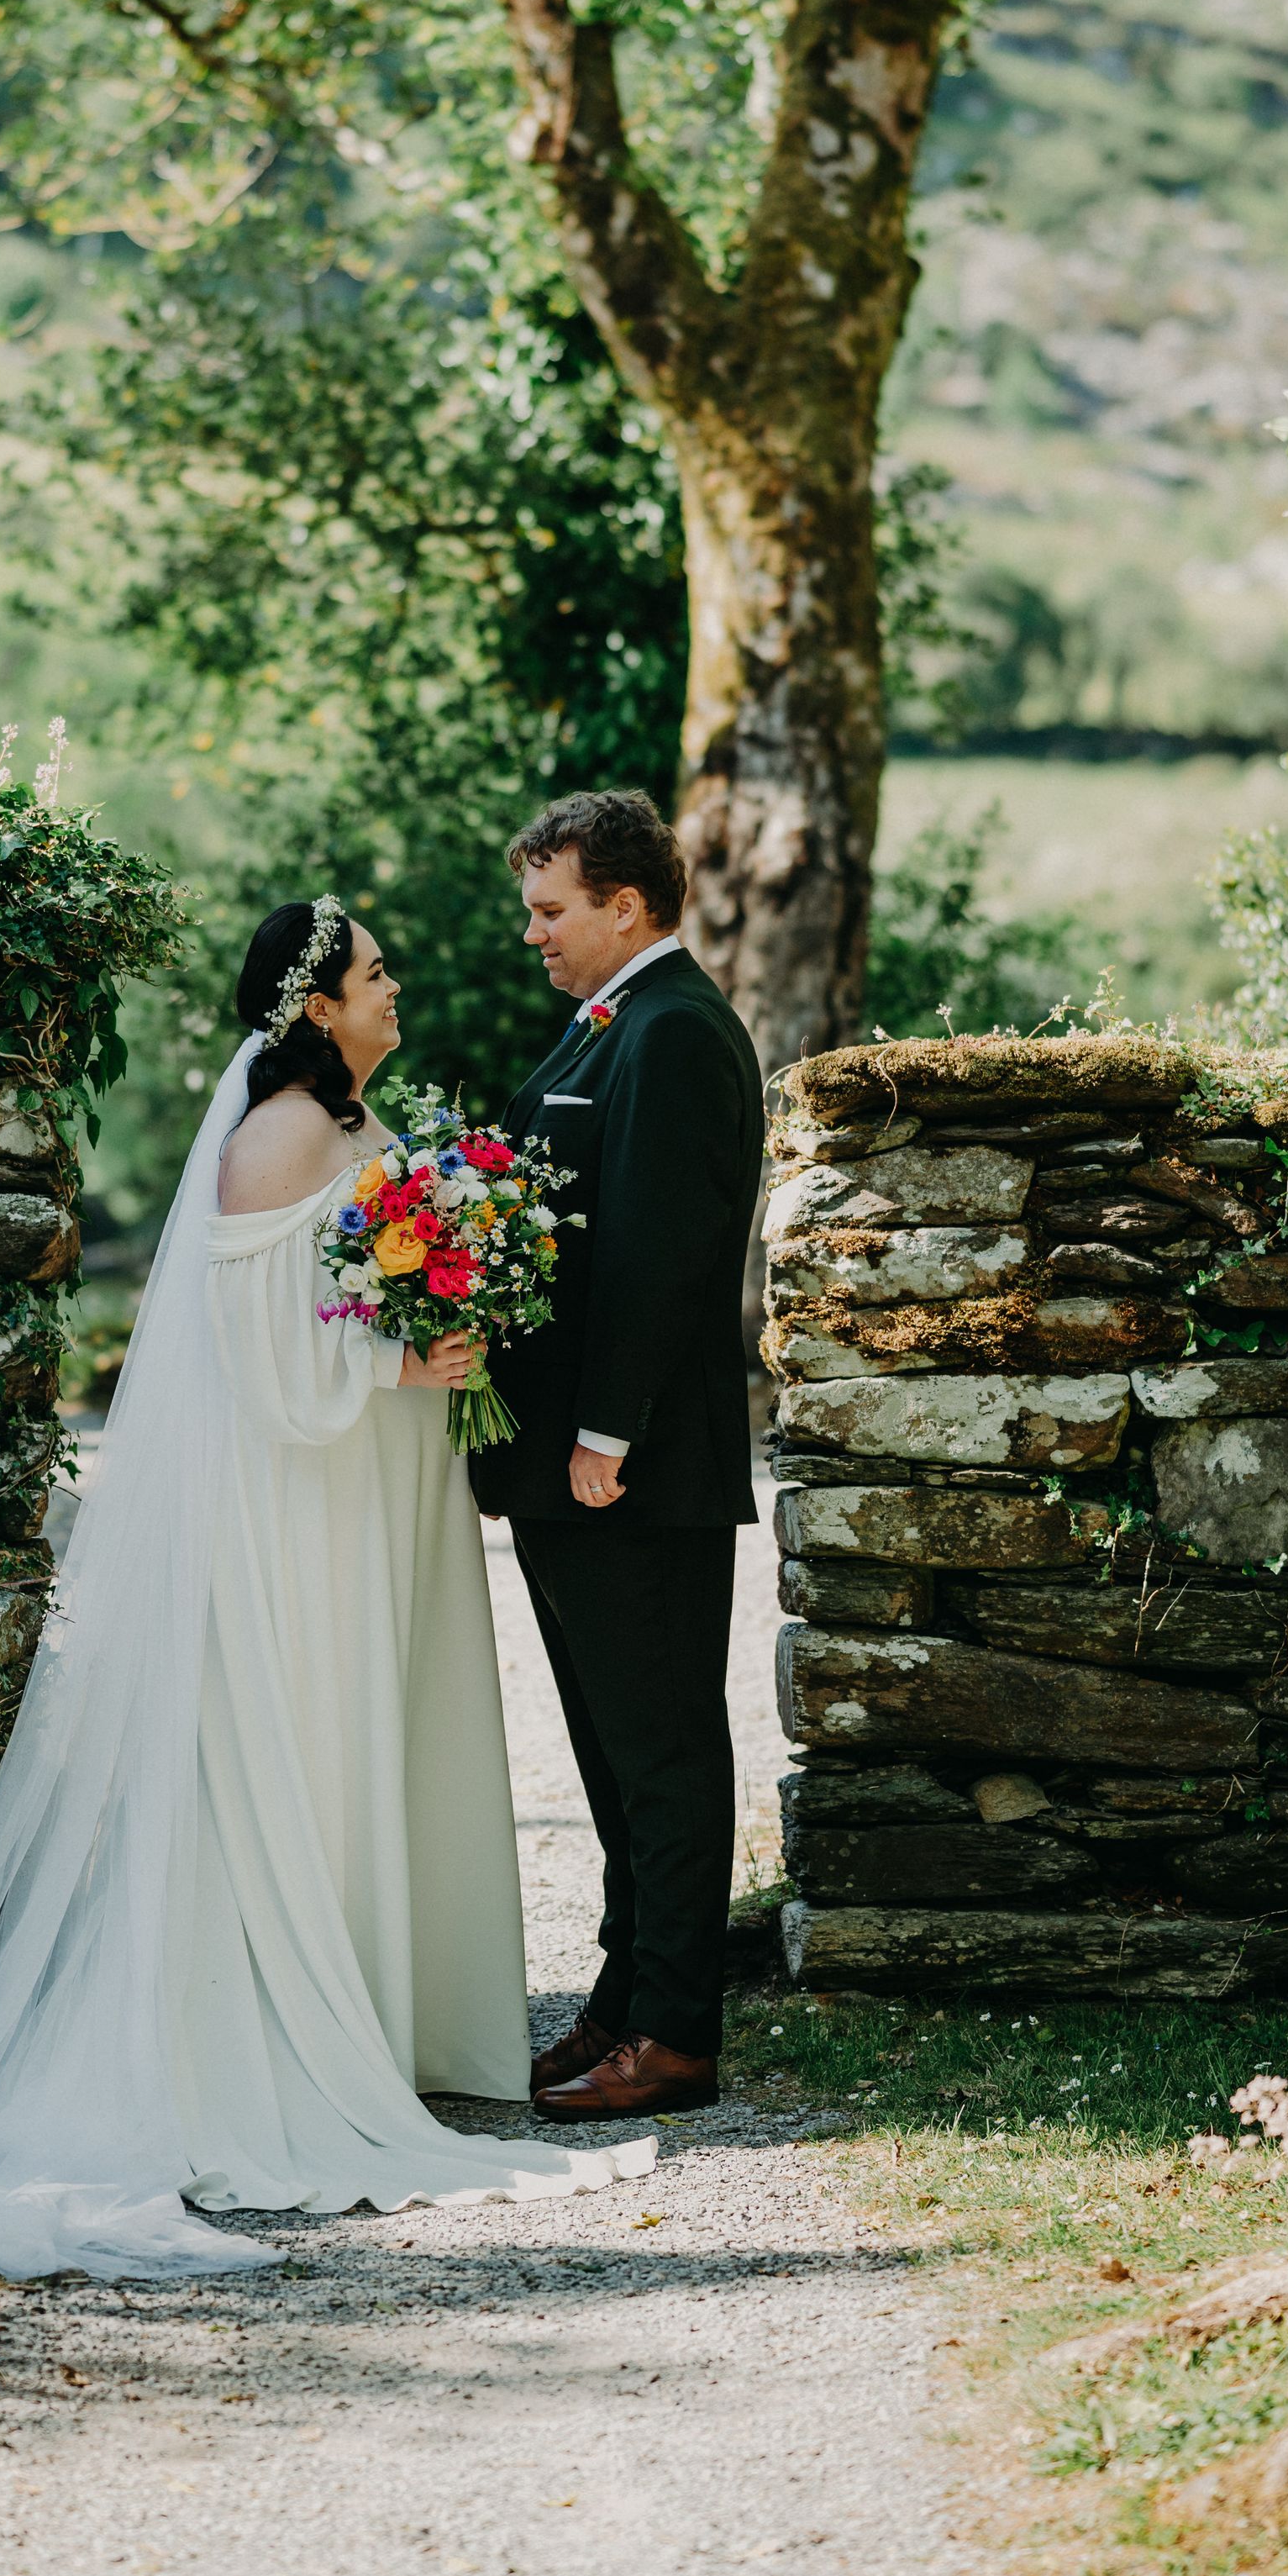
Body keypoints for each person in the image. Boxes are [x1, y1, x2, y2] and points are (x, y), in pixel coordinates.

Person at [0, 897, 650, 2283]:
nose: (397, 986)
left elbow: (352, 1287)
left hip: (370, 1491)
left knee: (368, 1732)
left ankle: (381, 2021)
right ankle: (248, 2046)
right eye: (378, 972)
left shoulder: (348, 1124)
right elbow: (250, 1345)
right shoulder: (275, 1138)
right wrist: (399, 1362)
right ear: (318, 1005)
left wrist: (444, 1307)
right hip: (295, 1509)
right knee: (302, 1737)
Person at [472, 790, 765, 2124]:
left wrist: (604, 1434)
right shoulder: (612, 1022)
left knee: (662, 1751)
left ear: (625, 907)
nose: (534, 935)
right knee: (605, 1747)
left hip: (630, 1468)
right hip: (572, 1468)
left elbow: (660, 1250)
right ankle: (622, 2000)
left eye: (551, 911)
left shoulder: (681, 1035)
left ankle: (679, 2037)